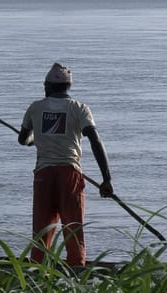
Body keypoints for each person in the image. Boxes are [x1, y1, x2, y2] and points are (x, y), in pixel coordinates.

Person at [18, 62, 113, 267]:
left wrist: (37, 139)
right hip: (70, 174)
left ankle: (37, 272)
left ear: (47, 86)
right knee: (73, 230)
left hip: (43, 175)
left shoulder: (36, 108)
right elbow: (95, 140)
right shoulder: (79, 108)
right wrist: (106, 178)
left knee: (42, 230)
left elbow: (23, 139)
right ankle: (76, 272)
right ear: (68, 87)